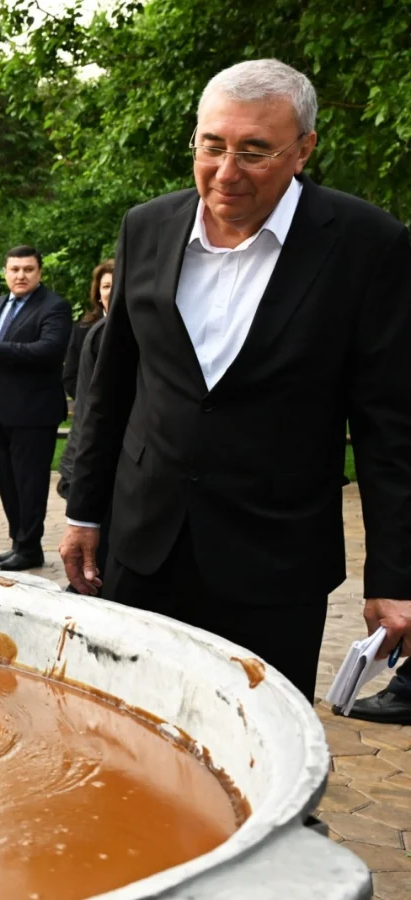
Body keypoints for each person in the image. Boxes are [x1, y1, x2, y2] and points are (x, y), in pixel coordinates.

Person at [60, 59, 411, 703]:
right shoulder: (146, 227)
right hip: (143, 548)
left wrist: (394, 577)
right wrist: (84, 511)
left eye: (254, 152)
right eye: (212, 146)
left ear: (303, 149)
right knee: (129, 742)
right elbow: (111, 386)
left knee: (255, 763)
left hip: (274, 563)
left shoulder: (368, 245)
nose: (226, 172)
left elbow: (391, 428)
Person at [0, 246, 72, 571]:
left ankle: (31, 547)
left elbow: (49, 350)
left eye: (28, 269)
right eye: (15, 269)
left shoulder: (54, 307)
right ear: (5, 272)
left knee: (30, 483)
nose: (21, 275)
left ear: (39, 273)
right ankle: (19, 543)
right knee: (7, 481)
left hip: (34, 412)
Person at [55, 259, 114, 585]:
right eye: (106, 286)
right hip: (88, 454)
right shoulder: (93, 333)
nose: (112, 292)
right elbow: (92, 411)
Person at [63, 260, 109, 401]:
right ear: (98, 294)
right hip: (93, 413)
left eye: (118, 285)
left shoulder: (142, 327)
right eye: (106, 286)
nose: (113, 291)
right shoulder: (83, 329)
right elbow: (70, 377)